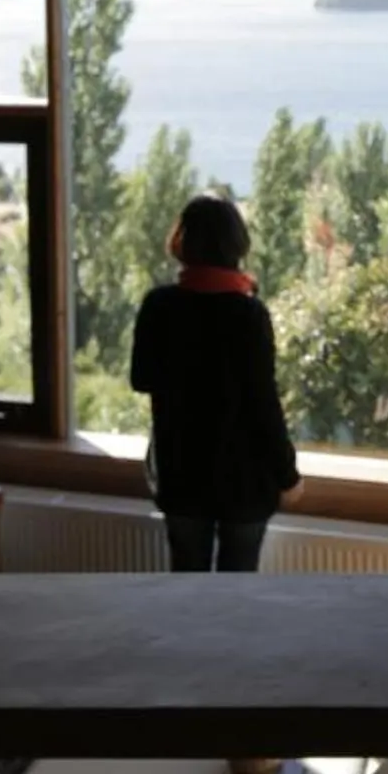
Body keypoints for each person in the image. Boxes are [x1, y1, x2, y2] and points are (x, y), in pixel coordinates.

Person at [127, 193, 300, 572]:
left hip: (182, 475)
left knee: (188, 592)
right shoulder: (249, 314)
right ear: (237, 245)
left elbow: (141, 379)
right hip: (245, 482)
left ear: (181, 242)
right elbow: (263, 404)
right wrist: (287, 474)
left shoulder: (159, 306)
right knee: (236, 597)